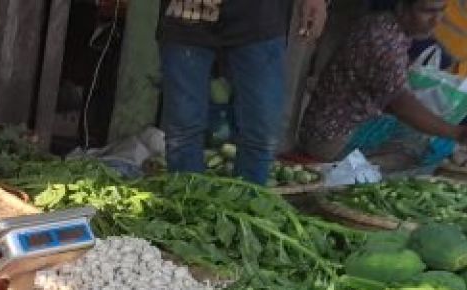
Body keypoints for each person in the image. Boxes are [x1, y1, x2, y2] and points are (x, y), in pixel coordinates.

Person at [159, 0, 328, 185]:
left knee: (261, 133)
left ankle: (248, 204)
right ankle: (186, 204)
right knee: (183, 130)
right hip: (185, 12)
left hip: (259, 16)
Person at [298, 0, 467, 165]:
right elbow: (402, 106)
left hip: (331, 127)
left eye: (441, 10)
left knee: (431, 134)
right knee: (430, 146)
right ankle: (356, 175)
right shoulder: (385, 43)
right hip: (332, 139)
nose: (436, 20)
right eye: (427, 11)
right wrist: (456, 133)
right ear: (402, 7)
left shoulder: (384, 25)